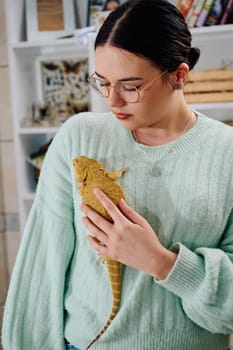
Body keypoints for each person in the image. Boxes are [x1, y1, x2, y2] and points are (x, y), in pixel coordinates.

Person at [2, 0, 233, 349]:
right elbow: (42, 266)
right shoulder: (80, 136)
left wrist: (161, 262)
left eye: (130, 86)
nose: (112, 101)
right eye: (102, 82)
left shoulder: (226, 151)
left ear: (179, 75)